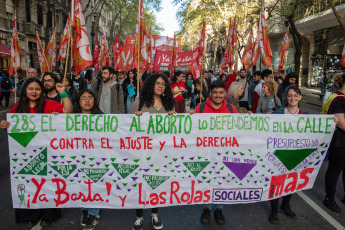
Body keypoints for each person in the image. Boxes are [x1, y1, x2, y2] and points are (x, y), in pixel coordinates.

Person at [0, 78, 72, 227]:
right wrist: (5, 124)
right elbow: (12, 131)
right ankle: (29, 215)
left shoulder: (50, 105)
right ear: (25, 90)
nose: (34, 92)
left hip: (50, 152)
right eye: (31, 89)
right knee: (28, 183)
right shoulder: (16, 108)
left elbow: (68, 112)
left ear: (42, 91)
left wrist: (63, 93)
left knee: (48, 182)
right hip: (25, 154)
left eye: (37, 89)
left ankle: (48, 215)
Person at [189, 80, 238, 225]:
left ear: (225, 93)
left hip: (224, 152)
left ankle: (219, 209)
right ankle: (206, 208)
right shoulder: (201, 108)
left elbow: (240, 130)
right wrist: (188, 116)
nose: (218, 95)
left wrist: (247, 118)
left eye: (221, 92)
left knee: (221, 180)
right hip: (205, 152)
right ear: (210, 93)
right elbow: (190, 128)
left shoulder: (231, 109)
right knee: (206, 179)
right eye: (215, 92)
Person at [131, 74, 175, 230]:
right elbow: (129, 127)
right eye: (157, 83)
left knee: (156, 181)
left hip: (161, 153)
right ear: (150, 85)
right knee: (141, 183)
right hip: (142, 151)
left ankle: (154, 213)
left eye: (163, 84)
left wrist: (174, 117)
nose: (160, 86)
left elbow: (174, 129)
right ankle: (139, 216)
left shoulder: (169, 103)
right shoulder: (139, 102)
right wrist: (136, 118)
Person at [268, 86, 308, 223]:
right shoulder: (277, 114)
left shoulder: (306, 116)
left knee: (291, 181)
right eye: (290, 95)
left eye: (295, 95)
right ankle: (274, 211)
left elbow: (317, 129)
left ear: (300, 97)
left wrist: (331, 123)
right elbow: (261, 125)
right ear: (286, 98)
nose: (293, 98)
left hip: (295, 154)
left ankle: (285, 206)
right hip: (278, 153)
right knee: (276, 182)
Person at [74, 90, 103, 230]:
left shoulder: (102, 117)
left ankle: (94, 215)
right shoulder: (70, 118)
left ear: (94, 100)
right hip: (77, 157)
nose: (87, 101)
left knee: (94, 184)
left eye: (90, 98)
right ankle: (84, 211)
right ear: (78, 102)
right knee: (81, 185)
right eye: (83, 98)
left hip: (96, 158)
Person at [323, 73, 345, 213]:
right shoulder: (338, 99)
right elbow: (342, 123)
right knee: (335, 169)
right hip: (339, 141)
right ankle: (329, 198)